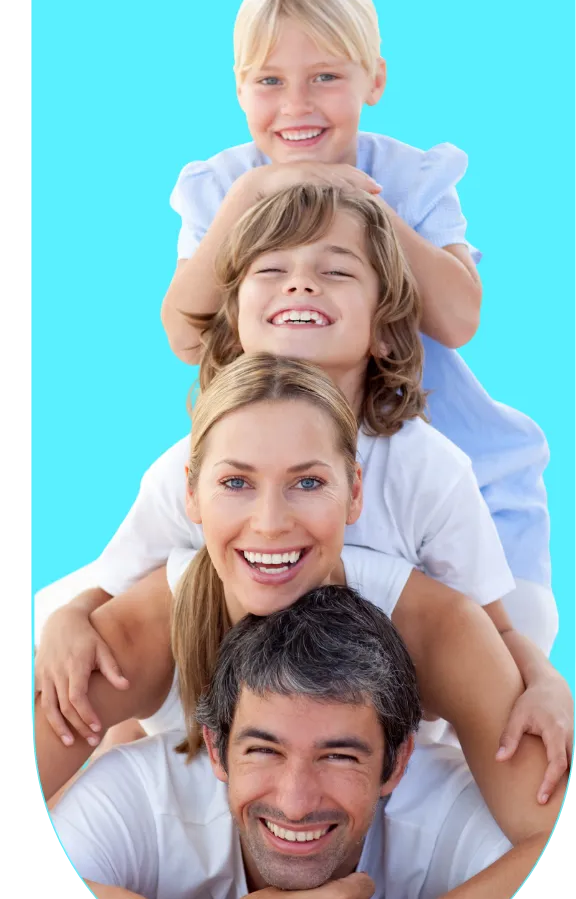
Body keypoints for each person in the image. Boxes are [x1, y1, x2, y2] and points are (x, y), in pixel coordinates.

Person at [35, 189, 572, 795]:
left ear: (387, 332)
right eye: (271, 269)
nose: (300, 284)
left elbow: (493, 630)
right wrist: (66, 623)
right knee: (128, 705)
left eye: (336, 270)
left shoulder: (429, 469)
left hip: (360, 720)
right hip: (218, 703)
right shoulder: (191, 465)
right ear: (235, 325)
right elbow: (109, 599)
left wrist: (547, 683)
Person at [160, 0, 555, 647]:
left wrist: (359, 201)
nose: (297, 106)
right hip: (304, 480)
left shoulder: (409, 177)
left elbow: (459, 319)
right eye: (270, 82)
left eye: (326, 78)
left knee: (501, 648)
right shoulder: (224, 186)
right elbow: (187, 337)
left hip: (444, 467)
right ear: (240, 89)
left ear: (374, 78)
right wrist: (249, 201)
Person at [35, 355, 571, 823]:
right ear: (191, 496)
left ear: (354, 493)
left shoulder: (437, 628)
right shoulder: (148, 627)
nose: (270, 523)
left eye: (308, 483)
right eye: (236, 483)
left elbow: (539, 832)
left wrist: (544, 679)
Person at [50, 585, 565, 899]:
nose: (295, 803)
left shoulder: (451, 808)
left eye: (338, 756)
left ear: (395, 762)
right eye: (263, 751)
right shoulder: (136, 794)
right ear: (215, 749)